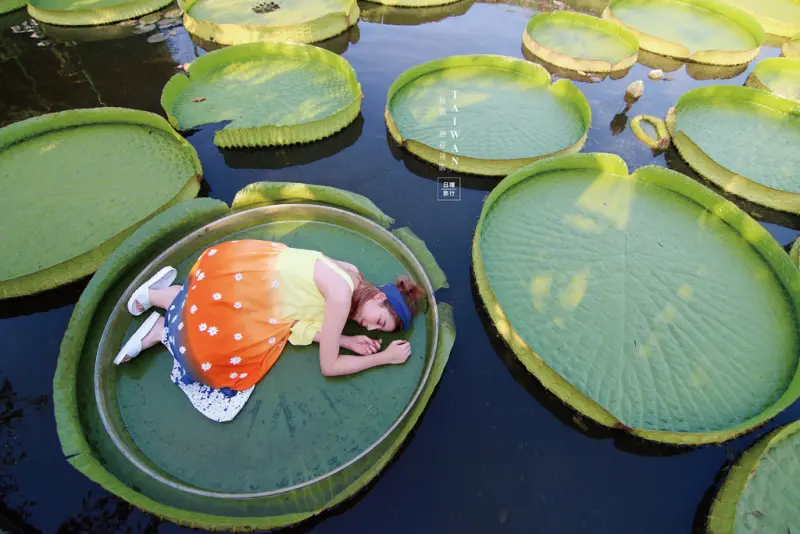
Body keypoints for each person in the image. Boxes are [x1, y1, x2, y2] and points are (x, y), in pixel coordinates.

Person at [114, 239, 425, 422]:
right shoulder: (342, 297)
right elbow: (329, 366)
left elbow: (300, 312)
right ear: (380, 297)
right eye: (379, 321)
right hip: (253, 289)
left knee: (208, 303)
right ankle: (158, 320)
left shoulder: (353, 275)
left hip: (246, 265)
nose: (369, 326)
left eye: (376, 329)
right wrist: (384, 358)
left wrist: (345, 339)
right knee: (213, 353)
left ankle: (155, 300)